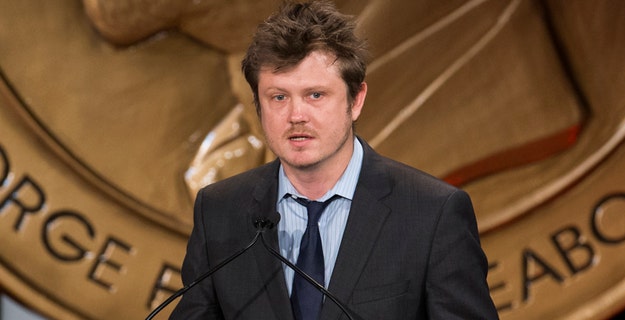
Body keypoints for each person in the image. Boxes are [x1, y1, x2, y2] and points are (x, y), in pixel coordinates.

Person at [170, 0, 498, 319]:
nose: (296, 115)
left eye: (315, 95)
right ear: (258, 105)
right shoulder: (219, 211)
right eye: (279, 97)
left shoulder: (432, 213)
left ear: (356, 100)